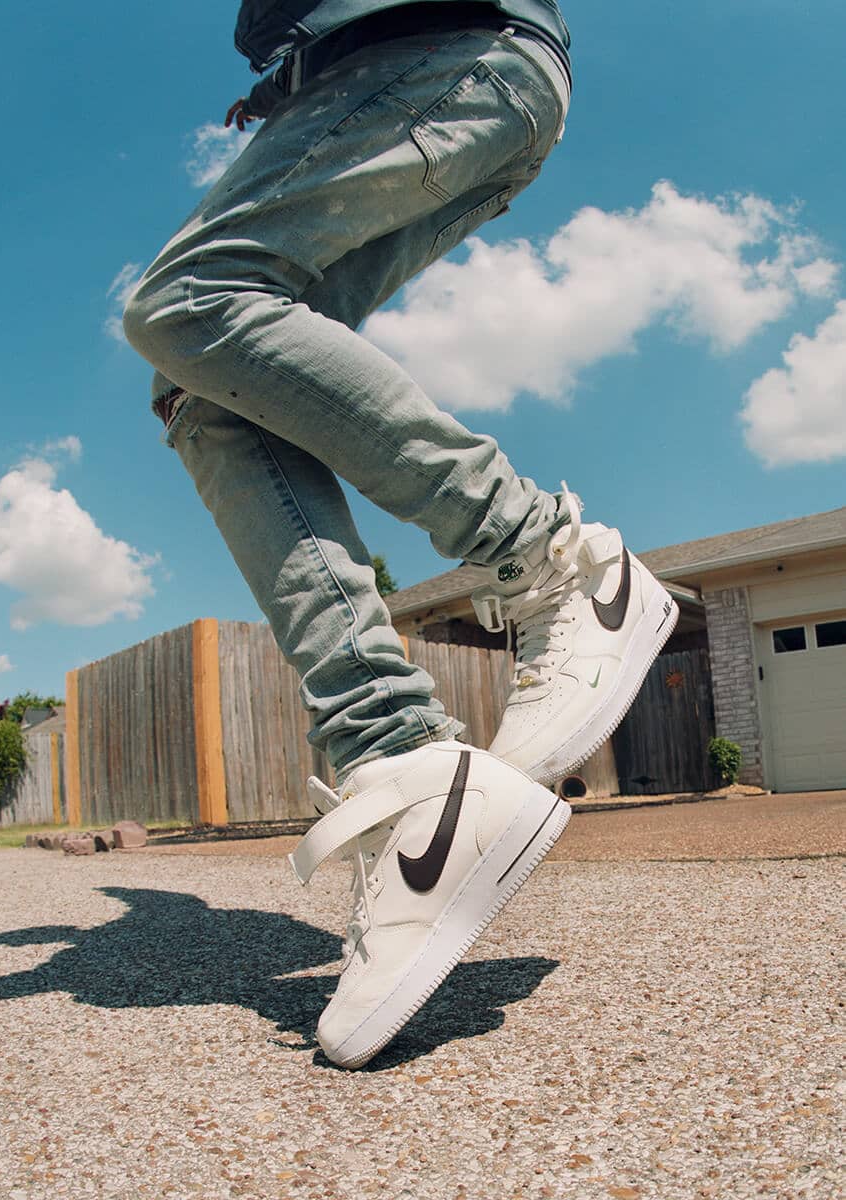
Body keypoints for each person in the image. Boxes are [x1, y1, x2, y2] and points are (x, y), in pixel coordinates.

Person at [123, 0, 677, 1068]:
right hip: (391, 72)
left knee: (194, 299)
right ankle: (408, 770)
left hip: (452, 52)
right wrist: (289, 74)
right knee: (202, 390)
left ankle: (551, 556)